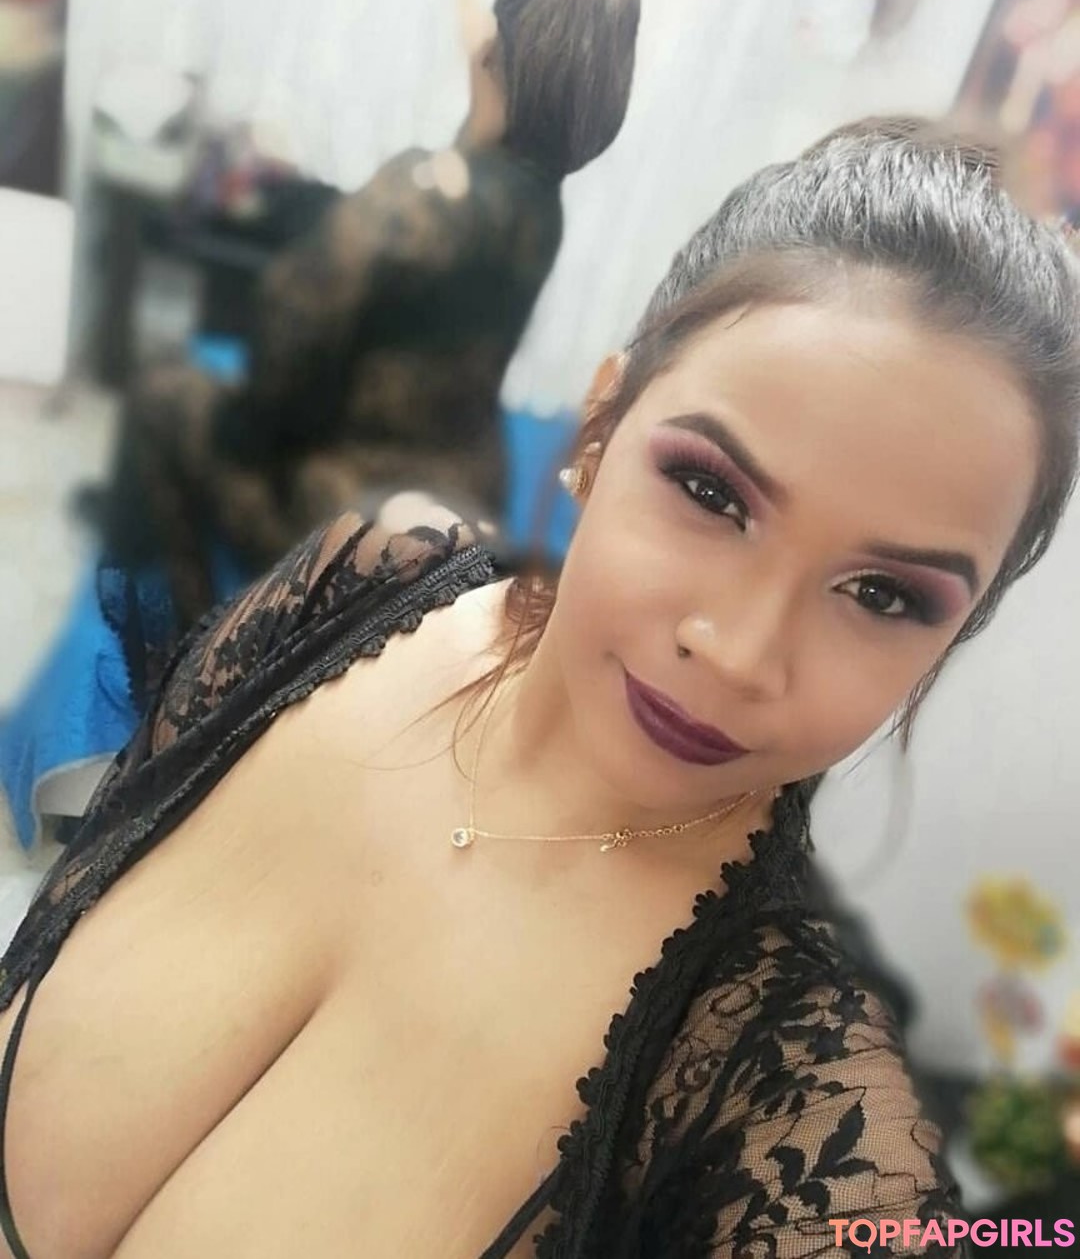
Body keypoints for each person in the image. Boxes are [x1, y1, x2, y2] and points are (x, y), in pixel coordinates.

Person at [2, 116, 1078, 1258]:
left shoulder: (782, 1100)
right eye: (712, 493)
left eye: (882, 595)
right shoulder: (353, 589)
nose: (739, 651)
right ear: (601, 426)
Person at [95, 0, 641, 642]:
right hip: (462, 510)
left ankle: (191, 649)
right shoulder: (542, 209)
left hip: (353, 518)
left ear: (496, 55)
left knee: (158, 396)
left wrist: (253, 436)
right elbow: (495, 49)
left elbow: (283, 344)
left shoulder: (418, 196)